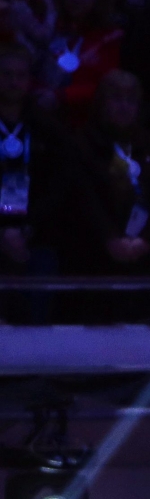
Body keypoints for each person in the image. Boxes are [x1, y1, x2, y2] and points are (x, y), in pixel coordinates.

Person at [66, 70, 150, 296]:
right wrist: (110, 239)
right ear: (101, 103)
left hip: (145, 255)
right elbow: (83, 199)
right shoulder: (83, 145)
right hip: (95, 256)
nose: (124, 107)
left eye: (130, 100)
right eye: (116, 98)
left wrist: (147, 240)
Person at [0, 43, 63, 323]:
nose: (14, 81)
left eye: (20, 75)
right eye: (6, 74)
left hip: (34, 235)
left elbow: (57, 185)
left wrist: (26, 229)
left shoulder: (45, 126)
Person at [38, 0, 123, 129]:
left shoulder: (111, 37)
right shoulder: (49, 28)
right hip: (42, 116)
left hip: (88, 124)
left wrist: (61, 96)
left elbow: (107, 86)